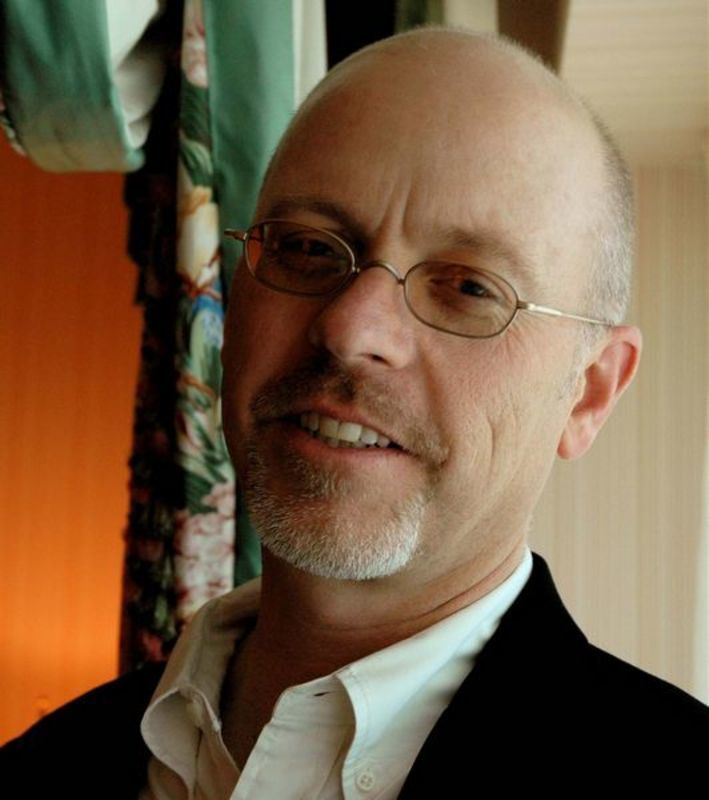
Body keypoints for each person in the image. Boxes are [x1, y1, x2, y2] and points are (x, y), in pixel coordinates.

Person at [3, 27, 707, 798]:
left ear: (591, 390)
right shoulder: (40, 769)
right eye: (307, 247)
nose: (350, 328)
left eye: (469, 287)